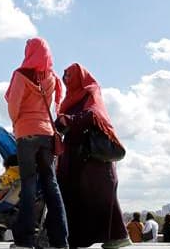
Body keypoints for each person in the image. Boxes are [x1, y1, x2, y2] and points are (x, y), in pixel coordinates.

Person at [55, 63, 130, 248]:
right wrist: (62, 123)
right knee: (72, 195)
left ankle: (117, 237)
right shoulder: (70, 99)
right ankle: (77, 238)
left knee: (99, 196)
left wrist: (70, 120)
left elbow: (94, 114)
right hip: (74, 156)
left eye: (69, 76)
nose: (67, 80)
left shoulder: (91, 92)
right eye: (65, 78)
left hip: (91, 157)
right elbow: (66, 125)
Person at [5, 37, 69, 249]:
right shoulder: (52, 76)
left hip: (27, 132)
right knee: (52, 186)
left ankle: (25, 239)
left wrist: (18, 124)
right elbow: (56, 106)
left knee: (29, 184)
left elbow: (14, 106)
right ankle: (60, 240)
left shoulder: (21, 75)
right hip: (47, 134)